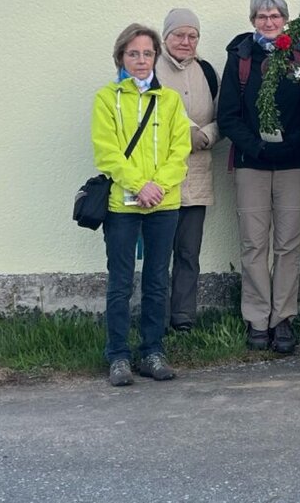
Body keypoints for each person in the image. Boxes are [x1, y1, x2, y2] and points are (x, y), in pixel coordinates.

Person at [91, 24, 191, 387]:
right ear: (121, 57)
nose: (140, 60)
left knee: (156, 281)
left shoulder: (170, 100)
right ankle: (117, 355)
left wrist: (158, 187)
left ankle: (152, 351)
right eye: (133, 53)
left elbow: (180, 150)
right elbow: (107, 152)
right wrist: (138, 185)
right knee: (120, 282)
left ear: (156, 57)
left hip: (163, 204)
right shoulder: (106, 98)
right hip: (123, 205)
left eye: (147, 53)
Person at [217, 0, 300, 355]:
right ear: (253, 20)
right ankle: (257, 318)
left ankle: (283, 317)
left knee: (288, 245)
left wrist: (291, 146)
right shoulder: (240, 58)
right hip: (251, 163)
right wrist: (256, 146)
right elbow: (227, 115)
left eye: (275, 16)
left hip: (293, 163)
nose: (269, 22)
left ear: (285, 20)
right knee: (254, 244)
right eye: (262, 16)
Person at [154, 8, 219, 333]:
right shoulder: (151, 69)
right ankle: (155, 319)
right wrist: (187, 131)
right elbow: (152, 115)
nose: (186, 41)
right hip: (159, 180)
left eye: (192, 35)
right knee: (157, 254)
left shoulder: (207, 71)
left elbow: (223, 115)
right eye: (179, 35)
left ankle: (183, 319)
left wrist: (207, 134)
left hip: (196, 177)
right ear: (165, 37)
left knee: (188, 252)